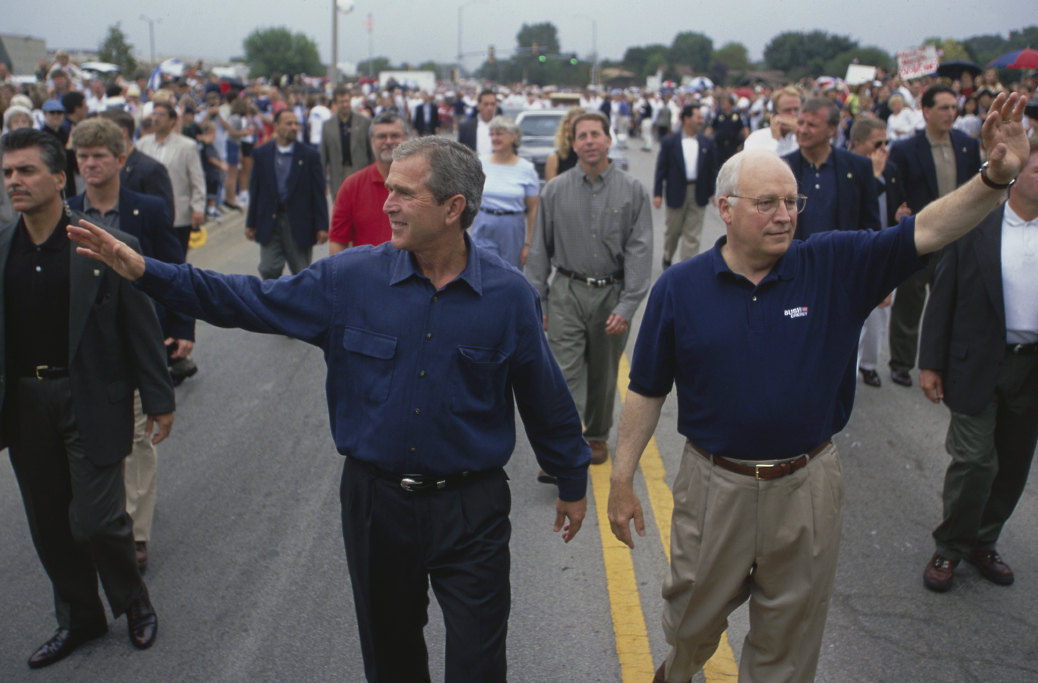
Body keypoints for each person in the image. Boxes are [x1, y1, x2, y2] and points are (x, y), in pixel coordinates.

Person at [69, 135, 590, 683]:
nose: (386, 203)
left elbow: (544, 394)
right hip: (376, 505)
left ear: (453, 207)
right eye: (388, 189)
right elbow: (246, 299)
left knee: (479, 662)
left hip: (471, 511)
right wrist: (147, 271)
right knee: (390, 655)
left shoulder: (508, 296)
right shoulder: (348, 280)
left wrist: (572, 477)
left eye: (404, 193)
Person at [607, 92, 1029, 683]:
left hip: (806, 487)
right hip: (713, 489)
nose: (784, 215)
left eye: (791, 202)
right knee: (690, 627)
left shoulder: (834, 264)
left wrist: (992, 179)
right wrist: (622, 478)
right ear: (725, 209)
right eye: (767, 204)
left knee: (789, 644)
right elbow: (646, 388)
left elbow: (929, 228)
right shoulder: (680, 288)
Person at [2, 128, 175, 668]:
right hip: (26, 404)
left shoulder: (102, 243)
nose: (14, 182)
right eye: (7, 173)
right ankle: (78, 617)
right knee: (49, 524)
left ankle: (133, 601)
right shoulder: (2, 247)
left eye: (26, 170)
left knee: (99, 520)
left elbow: (140, 325)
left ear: (59, 178)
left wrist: (160, 396)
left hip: (91, 399)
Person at [66, 117, 191, 574]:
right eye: (83, 157)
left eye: (100, 156)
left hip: (137, 341)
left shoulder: (148, 210)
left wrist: (184, 328)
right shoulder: (64, 215)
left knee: (138, 439)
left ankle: (134, 533)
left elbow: (175, 271)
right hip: (85, 351)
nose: (91, 164)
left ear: (121, 159)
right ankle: (97, 517)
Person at [918, 135, 1038, 593]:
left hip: (1029, 369)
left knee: (1011, 464)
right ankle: (950, 547)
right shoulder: (977, 226)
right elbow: (942, 294)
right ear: (1015, 175)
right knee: (974, 461)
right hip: (977, 364)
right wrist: (930, 363)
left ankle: (984, 541)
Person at [525, 111, 653, 467]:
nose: (589, 141)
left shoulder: (632, 190)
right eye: (581, 136)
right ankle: (563, 449)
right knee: (563, 372)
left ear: (609, 140)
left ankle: (596, 435)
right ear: (574, 144)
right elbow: (539, 252)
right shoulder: (554, 190)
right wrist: (541, 303)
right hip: (566, 290)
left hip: (611, 294)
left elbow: (640, 250)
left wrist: (627, 306)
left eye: (596, 134)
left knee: (603, 373)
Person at [887, 85, 982, 388]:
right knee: (910, 301)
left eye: (954, 107)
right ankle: (901, 362)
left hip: (960, 237)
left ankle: (948, 363)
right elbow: (895, 191)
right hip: (922, 236)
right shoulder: (905, 149)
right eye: (943, 108)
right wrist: (897, 216)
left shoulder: (966, 145)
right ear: (925, 111)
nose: (951, 113)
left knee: (956, 302)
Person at [847, 117, 911, 388]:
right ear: (858, 144)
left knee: (879, 315)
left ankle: (869, 365)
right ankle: (844, 373)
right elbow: (852, 208)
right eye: (878, 143)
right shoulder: (845, 167)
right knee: (851, 321)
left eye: (886, 142)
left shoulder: (890, 168)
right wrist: (872, 177)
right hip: (854, 253)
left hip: (884, 249)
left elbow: (900, 200)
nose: (884, 148)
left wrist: (901, 215)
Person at [782, 97, 880, 241]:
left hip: (844, 259)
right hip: (796, 259)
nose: (803, 130)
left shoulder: (858, 167)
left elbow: (870, 226)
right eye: (800, 122)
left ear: (832, 129)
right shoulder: (783, 167)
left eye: (812, 125)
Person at [245, 110, 328, 280]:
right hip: (270, 220)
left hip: (299, 222)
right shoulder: (262, 154)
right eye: (288, 123)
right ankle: (274, 304)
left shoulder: (309, 155)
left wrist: (322, 226)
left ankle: (300, 305)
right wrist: (250, 222)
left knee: (302, 272)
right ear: (276, 126)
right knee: (268, 268)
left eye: (296, 124)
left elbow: (318, 193)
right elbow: (256, 190)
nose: (294, 127)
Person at [328, 111, 408, 254]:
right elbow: (338, 242)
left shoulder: (424, 182)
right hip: (368, 274)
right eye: (381, 136)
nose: (388, 141)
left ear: (407, 139)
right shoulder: (351, 186)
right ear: (371, 141)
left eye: (395, 135)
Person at [135, 102, 206, 257]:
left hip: (178, 214)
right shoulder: (142, 144)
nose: (155, 118)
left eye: (160, 115)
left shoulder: (187, 146)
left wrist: (198, 207)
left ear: (172, 120)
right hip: (147, 214)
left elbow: (197, 178)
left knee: (175, 260)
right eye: (153, 114)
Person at [469, 115, 539, 268]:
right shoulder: (481, 163)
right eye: (492, 134)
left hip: (512, 228)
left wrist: (528, 243)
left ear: (514, 136)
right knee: (481, 270)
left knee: (510, 272)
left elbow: (534, 208)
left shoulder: (526, 169)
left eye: (499, 134)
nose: (494, 138)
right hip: (484, 223)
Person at [654, 104, 718, 269]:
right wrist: (658, 193)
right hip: (676, 191)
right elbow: (661, 169)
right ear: (686, 119)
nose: (701, 121)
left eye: (702, 118)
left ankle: (686, 268)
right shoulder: (670, 142)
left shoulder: (707, 143)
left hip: (698, 191)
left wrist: (714, 192)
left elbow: (712, 169)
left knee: (693, 234)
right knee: (673, 232)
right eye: (698, 117)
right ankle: (668, 256)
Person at [99, 110, 175, 223]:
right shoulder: (103, 166)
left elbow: (164, 217)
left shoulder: (150, 168)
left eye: (102, 131)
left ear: (123, 132)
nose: (97, 136)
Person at [320, 85, 373, 202]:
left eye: (347, 101)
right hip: (338, 175)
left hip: (360, 174)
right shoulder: (327, 126)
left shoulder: (365, 122)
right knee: (341, 213)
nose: (345, 105)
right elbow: (323, 156)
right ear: (334, 103)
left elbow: (372, 153)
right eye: (341, 102)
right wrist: (322, 182)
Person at [743, 86, 801, 156]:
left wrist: (799, 134)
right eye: (787, 110)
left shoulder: (805, 138)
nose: (793, 114)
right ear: (774, 114)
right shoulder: (756, 138)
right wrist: (774, 141)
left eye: (796, 110)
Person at [543, 106, 586, 182]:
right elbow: (550, 191)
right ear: (567, 127)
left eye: (582, 124)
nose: (579, 128)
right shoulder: (554, 159)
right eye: (574, 124)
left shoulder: (594, 158)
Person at [457, 88, 498, 156]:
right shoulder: (466, 127)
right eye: (486, 104)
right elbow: (460, 154)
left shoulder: (503, 128)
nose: (489, 108)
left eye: (492, 104)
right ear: (478, 105)